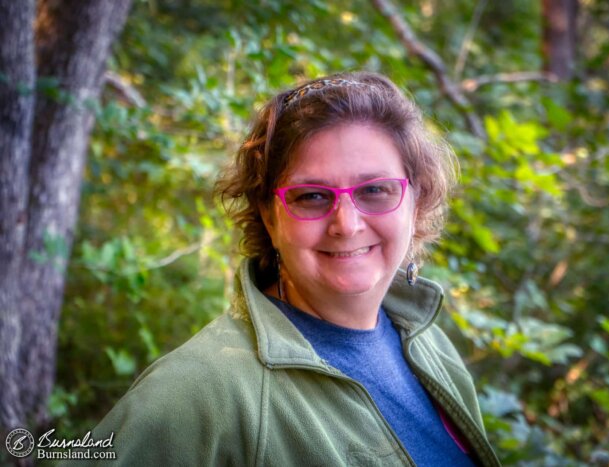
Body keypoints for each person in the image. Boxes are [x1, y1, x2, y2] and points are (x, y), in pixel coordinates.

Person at [72, 72, 500, 466]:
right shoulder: (198, 392)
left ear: (415, 201)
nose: (347, 225)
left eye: (375, 190)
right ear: (269, 217)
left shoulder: (427, 342)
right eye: (311, 196)